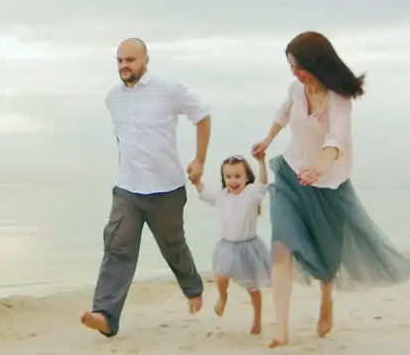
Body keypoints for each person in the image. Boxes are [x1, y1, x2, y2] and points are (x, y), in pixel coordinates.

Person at [251, 31, 410, 348]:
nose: (295, 74)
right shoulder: (295, 89)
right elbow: (283, 114)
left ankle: (327, 294)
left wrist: (320, 168)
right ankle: (281, 329)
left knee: (328, 252)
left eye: (299, 67)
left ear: (317, 64)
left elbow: (336, 141)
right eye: (291, 67)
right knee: (281, 245)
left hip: (328, 182)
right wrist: (267, 140)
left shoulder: (339, 100)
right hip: (291, 173)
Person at [80, 37, 210, 338]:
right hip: (128, 188)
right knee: (117, 246)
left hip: (167, 188)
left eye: (130, 60)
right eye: (120, 61)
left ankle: (193, 288)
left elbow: (202, 116)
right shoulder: (112, 98)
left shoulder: (168, 90)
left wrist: (200, 160)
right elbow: (122, 138)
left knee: (173, 246)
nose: (124, 66)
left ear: (145, 61)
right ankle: (105, 315)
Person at [193, 154, 272, 335]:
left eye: (237, 176)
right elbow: (205, 195)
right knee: (220, 274)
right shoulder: (223, 196)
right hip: (227, 245)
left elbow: (263, 185)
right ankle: (223, 296)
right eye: (228, 177)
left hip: (248, 247)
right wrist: (197, 181)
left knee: (253, 288)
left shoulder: (251, 193)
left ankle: (257, 321)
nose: (233, 181)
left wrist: (261, 162)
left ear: (246, 177)